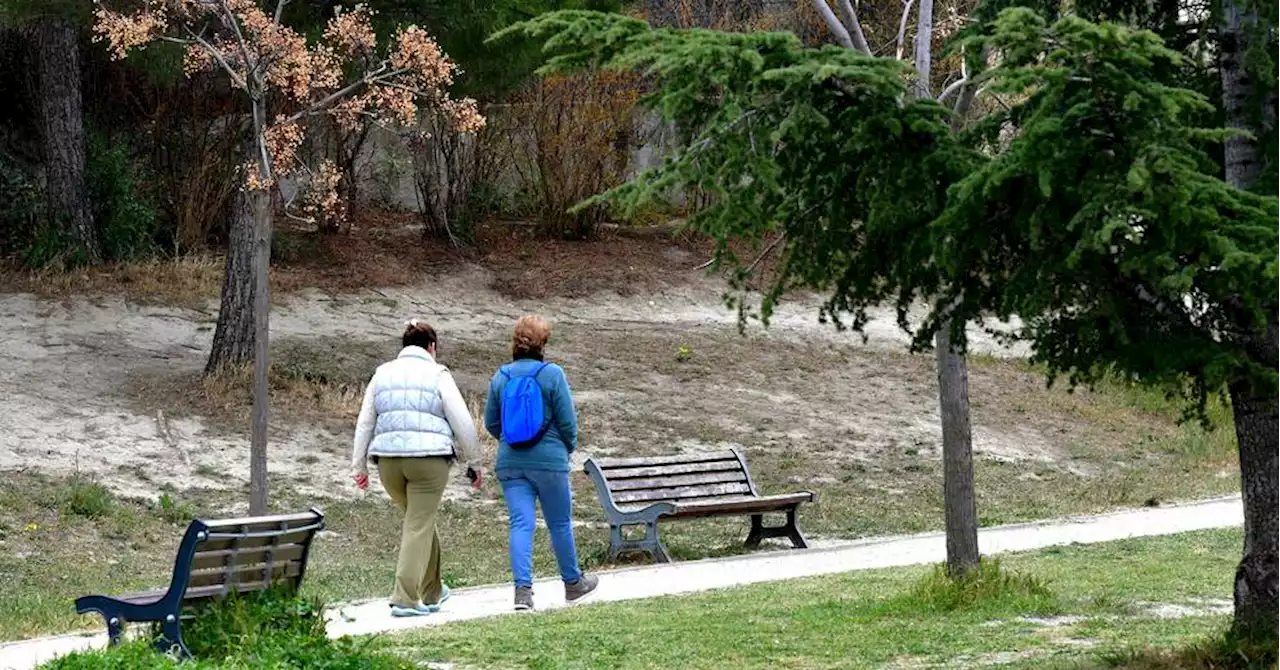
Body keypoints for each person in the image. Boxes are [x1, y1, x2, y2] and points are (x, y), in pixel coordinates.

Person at [351, 319, 483, 618]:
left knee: (419, 521)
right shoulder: (438, 373)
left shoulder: (381, 373)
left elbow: (365, 422)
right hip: (428, 462)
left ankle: (433, 590)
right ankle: (405, 597)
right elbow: (462, 420)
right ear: (432, 346)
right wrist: (474, 462)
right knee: (418, 525)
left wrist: (358, 466)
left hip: (388, 464)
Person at [485, 314, 599, 611]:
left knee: (521, 523)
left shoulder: (501, 376)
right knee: (559, 523)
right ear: (543, 344)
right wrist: (565, 447)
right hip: (550, 461)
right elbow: (567, 422)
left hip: (510, 462)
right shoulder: (552, 375)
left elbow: (491, 423)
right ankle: (573, 583)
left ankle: (522, 592)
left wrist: (511, 440)